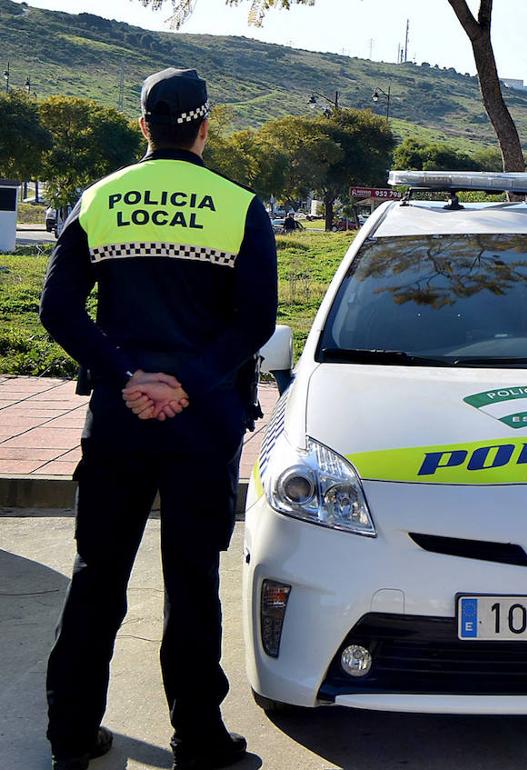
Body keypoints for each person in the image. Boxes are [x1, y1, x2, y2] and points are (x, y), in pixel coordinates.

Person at [39, 67, 277, 770]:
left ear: (144, 126)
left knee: (96, 575)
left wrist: (129, 379)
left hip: (119, 418)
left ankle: (70, 733)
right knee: (192, 580)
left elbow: (58, 310)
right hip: (202, 423)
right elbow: (255, 321)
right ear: (206, 126)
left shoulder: (99, 199)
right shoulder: (238, 206)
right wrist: (189, 385)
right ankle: (198, 737)